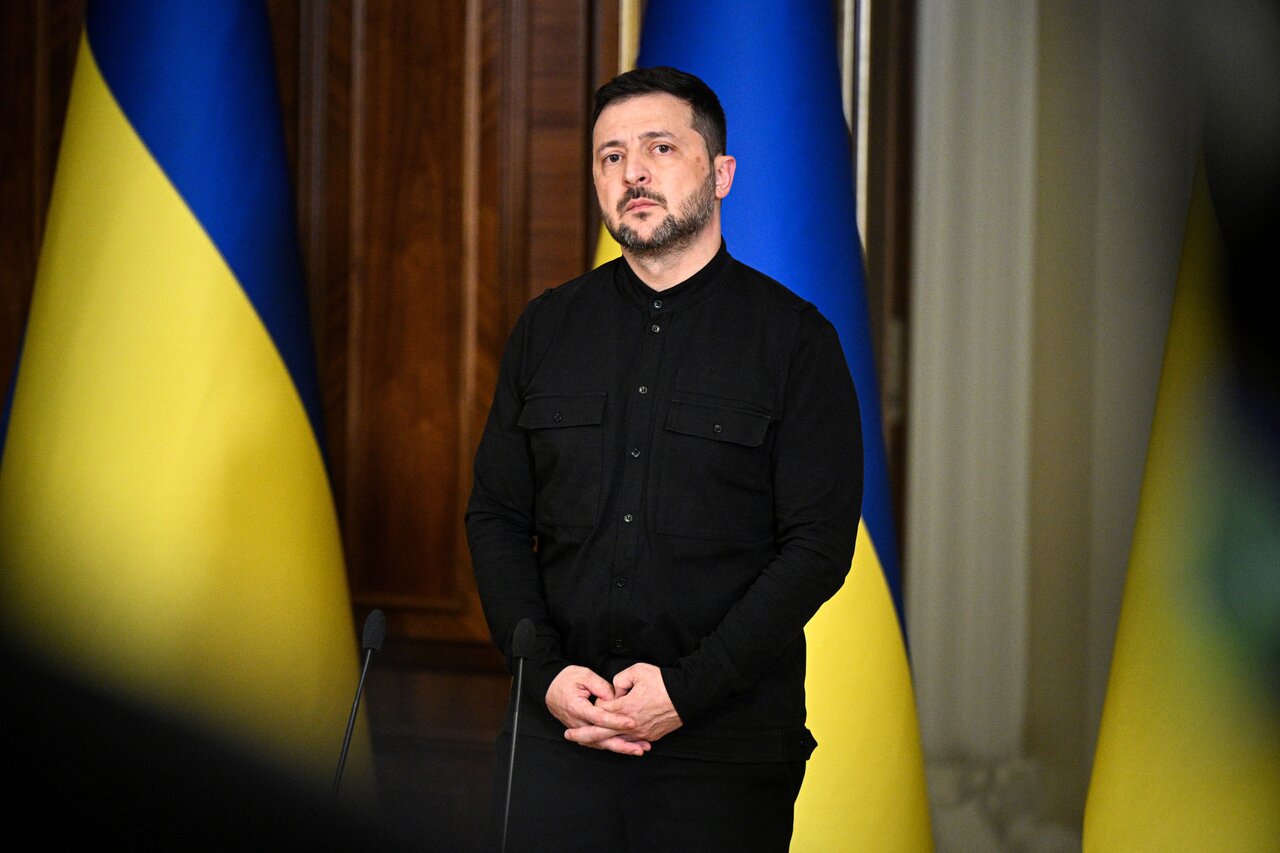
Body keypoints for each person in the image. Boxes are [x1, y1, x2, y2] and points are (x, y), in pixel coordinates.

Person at [465, 66, 863, 852]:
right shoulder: (546, 329)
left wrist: (686, 690)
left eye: (659, 148)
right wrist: (543, 673)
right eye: (610, 156)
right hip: (556, 738)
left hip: (723, 752)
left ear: (722, 173)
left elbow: (817, 547)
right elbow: (497, 515)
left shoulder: (796, 342)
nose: (633, 172)